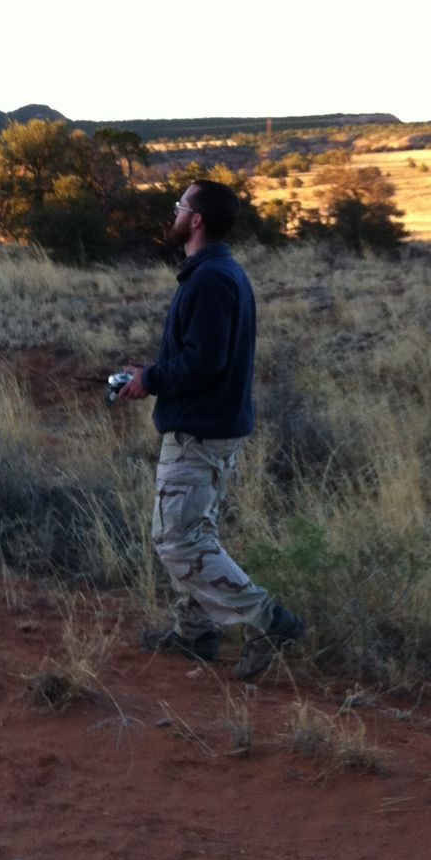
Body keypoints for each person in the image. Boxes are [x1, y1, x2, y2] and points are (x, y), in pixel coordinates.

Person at [114, 178, 304, 680]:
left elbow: (205, 361)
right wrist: (150, 373)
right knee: (195, 530)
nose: (173, 213)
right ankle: (195, 634)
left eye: (179, 206)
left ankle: (267, 622)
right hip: (213, 425)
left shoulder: (210, 280)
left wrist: (150, 379)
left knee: (178, 539)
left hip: (199, 432)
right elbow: (202, 354)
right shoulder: (219, 272)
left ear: (195, 219)